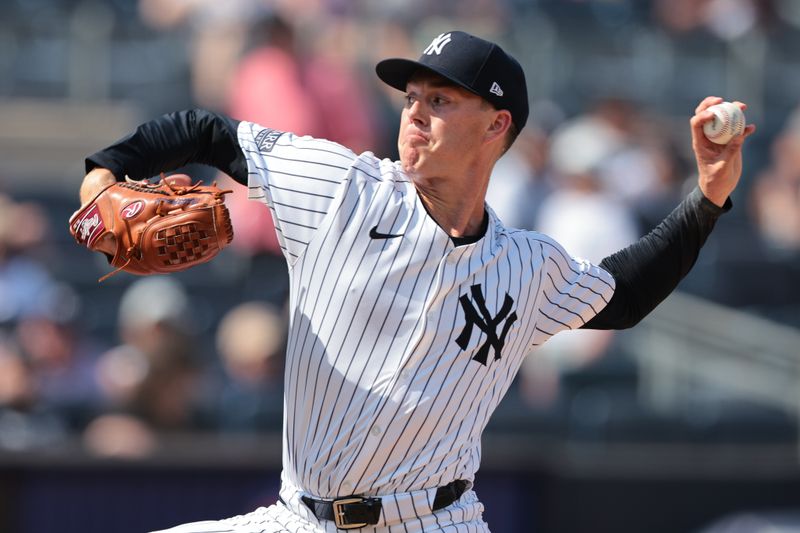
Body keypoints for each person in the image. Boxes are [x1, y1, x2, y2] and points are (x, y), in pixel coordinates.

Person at [76, 30, 754, 533]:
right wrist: (105, 170)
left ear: (496, 126)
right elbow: (203, 131)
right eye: (411, 98)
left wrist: (709, 195)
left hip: (434, 522)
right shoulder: (343, 187)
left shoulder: (527, 264)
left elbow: (625, 294)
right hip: (299, 519)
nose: (415, 113)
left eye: (440, 99)